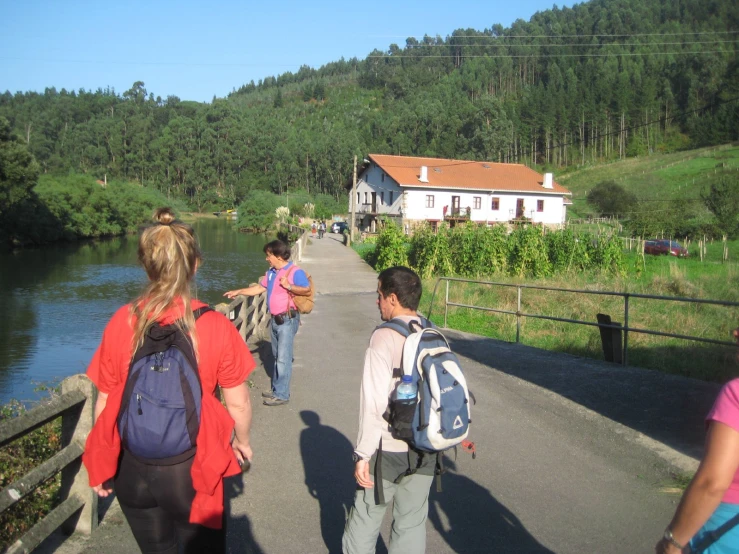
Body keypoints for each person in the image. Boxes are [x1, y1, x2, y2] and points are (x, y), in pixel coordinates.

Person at [82, 207, 256, 554]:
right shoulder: (213, 324)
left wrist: (102, 462)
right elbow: (238, 402)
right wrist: (242, 442)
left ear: (147, 265)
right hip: (193, 467)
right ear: (194, 265)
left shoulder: (122, 320)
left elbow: (105, 401)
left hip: (132, 470)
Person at [342, 266, 435, 554]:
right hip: (427, 445)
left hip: (389, 447)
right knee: (410, 525)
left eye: (379, 294)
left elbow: (373, 405)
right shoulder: (432, 331)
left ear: (393, 298)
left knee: (364, 521)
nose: (377, 301)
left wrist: (363, 454)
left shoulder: (383, 338)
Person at [656, 327, 739, 554]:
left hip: (726, 532)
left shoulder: (736, 394)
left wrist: (672, 542)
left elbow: (712, 483)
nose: (735, 332)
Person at [224, 239, 310, 406]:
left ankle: (282, 394)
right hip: (275, 320)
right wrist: (239, 291)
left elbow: (306, 289)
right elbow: (259, 288)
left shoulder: (294, 271)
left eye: (269, 255)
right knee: (278, 356)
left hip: (287, 319)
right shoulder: (271, 272)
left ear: (278, 256)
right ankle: (278, 389)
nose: (267, 258)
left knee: (283, 358)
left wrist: (289, 286)